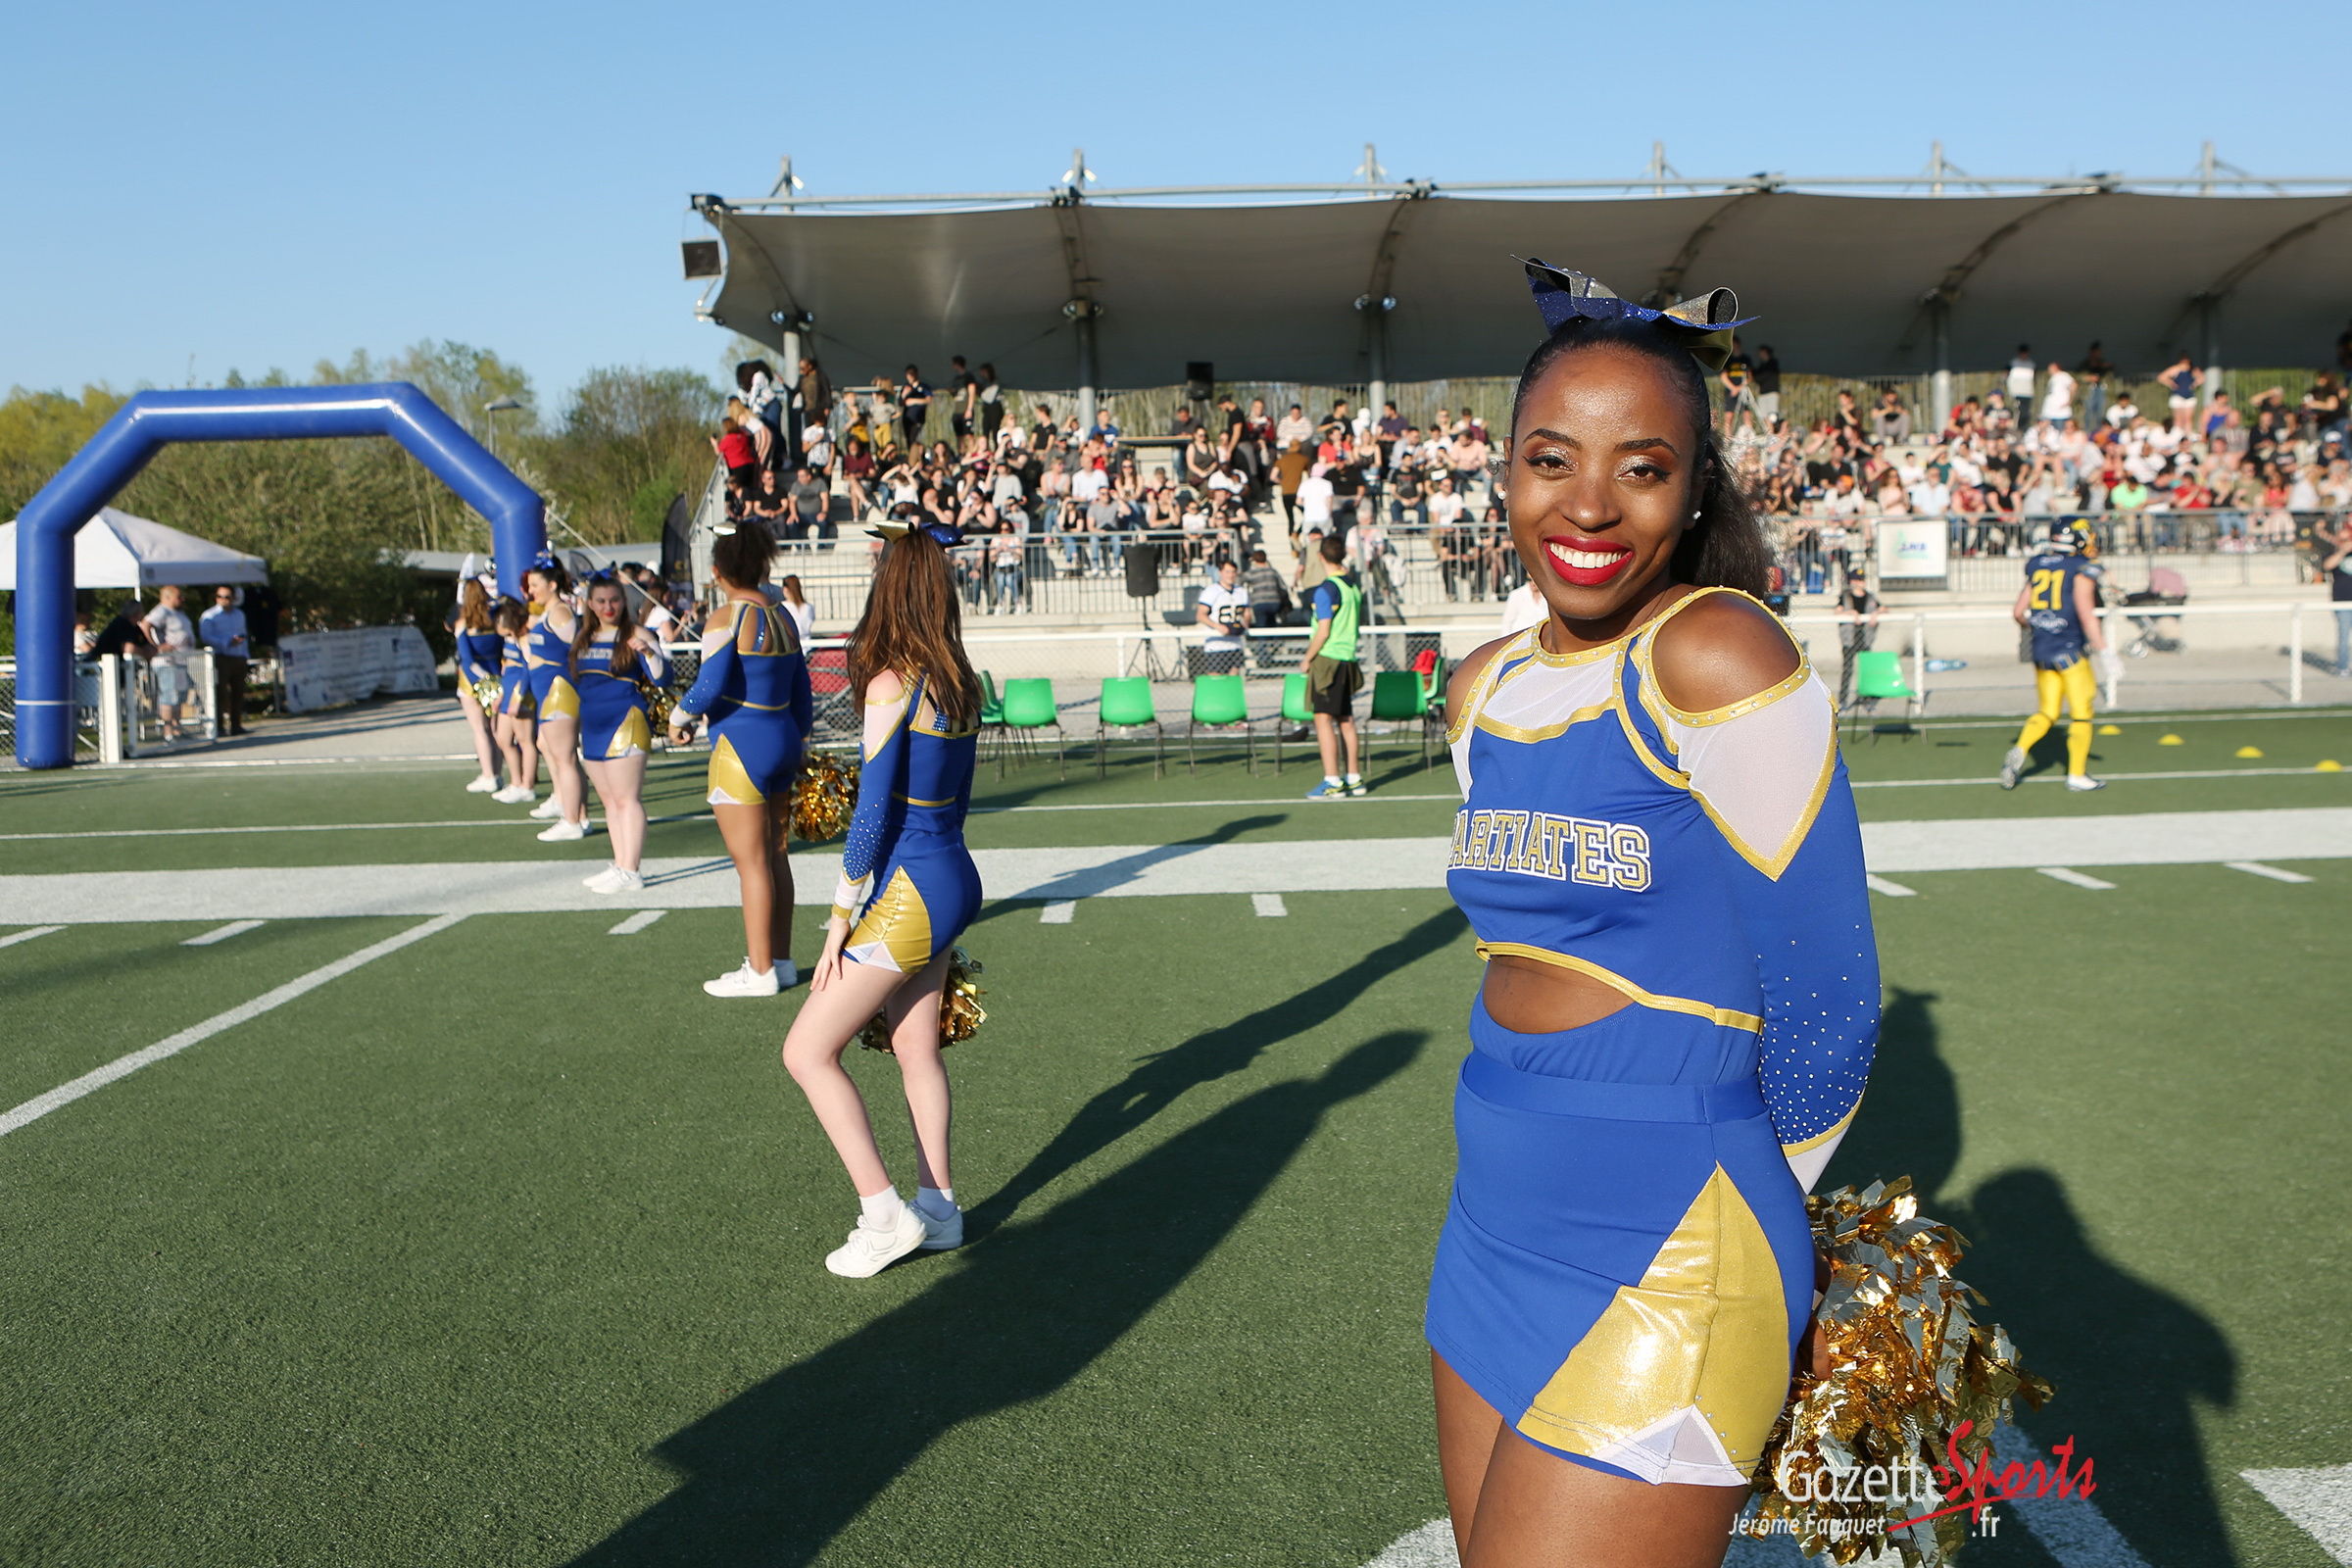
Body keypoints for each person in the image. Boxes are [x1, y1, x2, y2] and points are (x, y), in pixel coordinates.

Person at [1430, 261, 1877, 1568]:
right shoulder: (1479, 689)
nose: (1588, 505)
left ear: (1692, 492)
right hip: (1491, 1225)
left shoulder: (1716, 654)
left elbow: (1830, 999)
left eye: (1642, 468)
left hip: (1676, 1241)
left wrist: (1762, 1222)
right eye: (1551, 461)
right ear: (1506, 473)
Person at [781, 521, 984, 1278]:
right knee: (914, 1047)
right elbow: (956, 802)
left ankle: (884, 1214)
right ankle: (940, 1210)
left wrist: (839, 919)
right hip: (953, 873)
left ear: (890, 588)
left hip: (912, 885)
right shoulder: (963, 682)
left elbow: (870, 815)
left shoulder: (891, 684)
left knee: (806, 1052)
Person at [668, 520, 813, 995]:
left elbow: (708, 686)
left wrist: (678, 718)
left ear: (717, 571)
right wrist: (800, 739)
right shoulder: (784, 616)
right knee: (776, 857)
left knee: (751, 865)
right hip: (784, 739)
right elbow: (803, 690)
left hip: (741, 747)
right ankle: (782, 961)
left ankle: (760, 970)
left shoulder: (725, 618)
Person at [2001, 519, 2121, 792]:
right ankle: (2076, 775)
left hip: (2042, 649)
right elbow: (2086, 613)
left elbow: (2018, 612)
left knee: (2047, 711)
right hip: (2070, 651)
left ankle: (2021, 748)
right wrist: (2105, 650)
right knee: (2081, 715)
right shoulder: (2081, 567)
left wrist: (2042, 626)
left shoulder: (2038, 564)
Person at [565, 573, 667, 893]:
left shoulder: (637, 633)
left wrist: (648, 653)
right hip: (593, 727)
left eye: (614, 600)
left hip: (625, 721)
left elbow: (663, 677)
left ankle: (631, 870)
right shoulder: (584, 637)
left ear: (624, 602)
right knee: (609, 800)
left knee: (626, 798)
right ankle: (621, 863)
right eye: (601, 601)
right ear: (589, 604)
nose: (608, 607)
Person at [521, 558, 594, 840]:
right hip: (548, 693)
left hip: (559, 692)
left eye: (535, 585)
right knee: (560, 755)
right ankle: (579, 817)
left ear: (552, 585)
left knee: (565, 758)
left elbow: (578, 650)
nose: (530, 591)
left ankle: (572, 820)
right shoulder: (548, 613)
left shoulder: (561, 613)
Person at [1297, 532, 1364, 801]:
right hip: (1347, 658)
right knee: (1346, 719)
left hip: (1328, 659)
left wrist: (1307, 658)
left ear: (1320, 556)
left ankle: (1333, 780)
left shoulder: (1326, 588)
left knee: (1323, 719)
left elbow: (1323, 630)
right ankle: (1354, 778)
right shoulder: (1351, 586)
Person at [448, 578, 502, 788]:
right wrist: (493, 680)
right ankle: (497, 774)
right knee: (495, 730)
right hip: (497, 676)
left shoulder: (463, 623)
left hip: (472, 682)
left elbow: (467, 660)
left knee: (480, 729)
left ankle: (488, 775)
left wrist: (482, 682)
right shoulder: (495, 619)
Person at [490, 598, 539, 805]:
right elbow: (508, 666)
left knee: (525, 740)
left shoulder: (525, 637)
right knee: (503, 739)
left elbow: (528, 669)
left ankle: (528, 786)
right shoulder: (510, 638)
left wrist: (519, 698)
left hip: (521, 693)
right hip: (508, 690)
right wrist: (502, 695)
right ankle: (516, 782)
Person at [141, 585, 197, 740]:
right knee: (169, 696)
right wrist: (155, 646)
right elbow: (145, 624)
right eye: (178, 597)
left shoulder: (178, 612)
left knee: (179, 696)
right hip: (167, 662)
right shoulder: (161, 611)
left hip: (180, 661)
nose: (182, 599)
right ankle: (168, 731)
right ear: (167, 597)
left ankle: (177, 728)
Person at [199, 584, 252, 738]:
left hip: (238, 657)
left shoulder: (239, 614)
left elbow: (244, 635)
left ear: (234, 598)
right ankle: (219, 727)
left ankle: (236, 725)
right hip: (221, 657)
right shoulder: (209, 615)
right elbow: (205, 637)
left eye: (227, 597)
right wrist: (226, 642)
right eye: (219, 596)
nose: (223, 600)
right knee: (220, 693)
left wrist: (245, 654)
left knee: (238, 692)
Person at [1196, 559, 1250, 675]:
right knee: (1216, 678)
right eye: (1227, 572)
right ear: (1220, 572)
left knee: (1234, 678)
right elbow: (1200, 615)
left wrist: (1245, 622)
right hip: (1216, 644)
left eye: (1233, 572)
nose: (1230, 575)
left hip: (1235, 643)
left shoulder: (1241, 591)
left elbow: (1246, 612)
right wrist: (1218, 627)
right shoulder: (1212, 591)